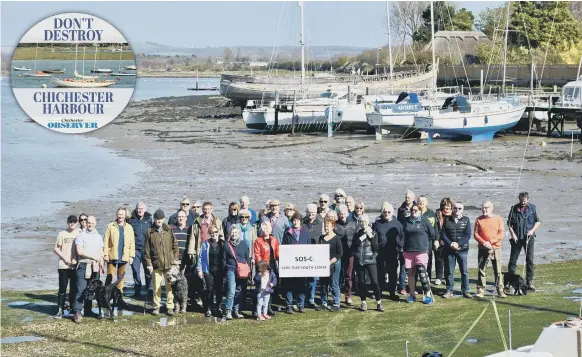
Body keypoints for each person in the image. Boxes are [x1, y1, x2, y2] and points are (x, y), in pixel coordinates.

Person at [145, 209, 180, 316]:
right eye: (157, 219)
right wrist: (149, 264)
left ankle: (170, 307)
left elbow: (175, 246)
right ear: (154, 219)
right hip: (156, 264)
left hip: (169, 264)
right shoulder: (149, 231)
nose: (159, 221)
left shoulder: (169, 229)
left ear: (163, 219)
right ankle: (156, 307)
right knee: (157, 287)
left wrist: (174, 261)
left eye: (160, 219)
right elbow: (146, 250)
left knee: (169, 287)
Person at [507, 192, 541, 291]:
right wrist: (513, 234)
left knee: (530, 260)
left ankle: (529, 281)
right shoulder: (513, 208)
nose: (523, 202)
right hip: (516, 239)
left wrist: (532, 230)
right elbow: (509, 224)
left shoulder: (533, 208)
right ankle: (510, 281)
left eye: (524, 201)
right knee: (513, 260)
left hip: (529, 238)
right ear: (519, 199)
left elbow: (538, 222)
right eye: (521, 201)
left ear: (528, 199)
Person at [402, 204, 435, 304]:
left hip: (421, 250)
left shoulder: (424, 220)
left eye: (416, 210)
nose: (414, 211)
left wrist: (424, 243)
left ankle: (428, 294)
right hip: (408, 251)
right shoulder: (406, 221)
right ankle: (412, 295)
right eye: (412, 210)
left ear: (420, 211)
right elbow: (403, 234)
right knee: (411, 274)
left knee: (422, 272)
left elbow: (432, 233)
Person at [73, 216, 104, 323]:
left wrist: (102, 264)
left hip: (95, 266)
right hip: (83, 265)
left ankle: (88, 311)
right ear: (86, 223)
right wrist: (92, 257)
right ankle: (77, 312)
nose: (90, 224)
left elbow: (101, 251)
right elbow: (79, 251)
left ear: (95, 223)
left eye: (92, 223)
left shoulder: (99, 237)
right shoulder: (81, 235)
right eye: (88, 222)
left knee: (91, 290)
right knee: (81, 289)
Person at [474, 201, 506, 298]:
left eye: (487, 207)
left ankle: (500, 289)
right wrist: (484, 243)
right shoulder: (478, 219)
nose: (485, 209)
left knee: (498, 270)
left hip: (495, 248)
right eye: (483, 208)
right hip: (483, 248)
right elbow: (475, 234)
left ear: (492, 208)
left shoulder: (498, 219)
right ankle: (480, 290)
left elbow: (501, 233)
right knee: (482, 269)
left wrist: (491, 242)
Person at [281, 212, 312, 313]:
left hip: (302, 263)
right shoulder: (287, 232)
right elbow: (284, 247)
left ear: (301, 221)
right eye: (294, 220)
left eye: (298, 220)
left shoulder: (306, 232)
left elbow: (309, 246)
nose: (295, 222)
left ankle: (300, 304)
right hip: (290, 263)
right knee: (289, 284)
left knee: (302, 284)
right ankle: (288, 305)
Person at [373, 202, 403, 300]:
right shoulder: (378, 223)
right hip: (380, 252)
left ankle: (392, 292)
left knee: (393, 273)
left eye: (389, 212)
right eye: (384, 212)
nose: (386, 213)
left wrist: (399, 247)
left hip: (393, 252)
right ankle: (380, 291)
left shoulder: (397, 223)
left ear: (392, 212)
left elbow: (402, 236)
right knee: (380, 273)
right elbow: (374, 236)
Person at [441, 202, 472, 299]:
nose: (457, 210)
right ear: (452, 209)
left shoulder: (466, 220)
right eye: (455, 208)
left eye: (459, 208)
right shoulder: (447, 220)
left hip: (462, 250)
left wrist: (459, 244)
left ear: (462, 210)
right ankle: (449, 290)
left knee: (464, 271)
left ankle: (466, 290)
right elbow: (443, 233)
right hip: (449, 250)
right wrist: (450, 244)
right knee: (449, 271)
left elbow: (468, 235)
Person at [352, 214, 383, 312]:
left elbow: (376, 248)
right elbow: (354, 244)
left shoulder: (374, 233)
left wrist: (370, 236)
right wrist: (363, 235)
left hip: (370, 260)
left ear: (368, 222)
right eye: (361, 222)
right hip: (360, 261)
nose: (363, 223)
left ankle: (379, 302)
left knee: (375, 282)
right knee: (361, 282)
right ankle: (363, 302)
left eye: (365, 221)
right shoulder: (357, 233)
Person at [104, 207, 135, 293]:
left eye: (122, 214)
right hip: (112, 255)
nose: (120, 216)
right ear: (116, 215)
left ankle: (119, 294)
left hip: (124, 255)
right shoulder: (111, 226)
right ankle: (106, 293)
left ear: (125, 216)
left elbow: (132, 243)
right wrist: (105, 254)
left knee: (121, 277)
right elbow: (106, 240)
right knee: (109, 276)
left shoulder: (129, 227)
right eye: (119, 214)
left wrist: (131, 256)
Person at [53, 215, 79, 318]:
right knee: (62, 288)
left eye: (74, 221)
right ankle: (60, 309)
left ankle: (73, 308)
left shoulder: (79, 233)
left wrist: (75, 259)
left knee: (73, 288)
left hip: (75, 266)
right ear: (67, 222)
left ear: (77, 223)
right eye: (70, 222)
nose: (72, 223)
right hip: (63, 266)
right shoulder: (62, 234)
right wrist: (65, 258)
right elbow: (56, 248)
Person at [197, 225, 225, 317]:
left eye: (216, 232)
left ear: (218, 233)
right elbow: (200, 257)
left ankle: (218, 308)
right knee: (209, 290)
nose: (214, 234)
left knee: (219, 290)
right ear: (210, 234)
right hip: (208, 270)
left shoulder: (222, 244)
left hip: (220, 271)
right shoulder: (206, 243)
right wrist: (199, 270)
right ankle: (208, 308)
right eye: (212, 232)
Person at [317, 215, 343, 312]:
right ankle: (324, 303)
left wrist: (331, 261)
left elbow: (340, 253)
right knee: (323, 284)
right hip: (323, 264)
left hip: (335, 263)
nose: (326, 228)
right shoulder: (321, 238)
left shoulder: (336, 238)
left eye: (328, 226)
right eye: (325, 226)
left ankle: (336, 303)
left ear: (332, 226)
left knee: (334, 284)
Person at [253, 221, 279, 315]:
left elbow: (277, 252)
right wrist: (262, 268)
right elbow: (257, 255)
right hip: (263, 267)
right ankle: (256, 309)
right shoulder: (258, 240)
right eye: (264, 228)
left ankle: (268, 307)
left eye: (267, 227)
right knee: (260, 288)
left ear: (270, 229)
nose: (266, 230)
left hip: (272, 266)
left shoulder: (274, 239)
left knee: (270, 287)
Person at [224, 225, 250, 320]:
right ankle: (228, 311)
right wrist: (225, 269)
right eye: (232, 232)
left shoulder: (244, 244)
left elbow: (247, 258)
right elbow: (223, 259)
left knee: (239, 291)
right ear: (229, 234)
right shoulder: (226, 244)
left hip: (242, 271)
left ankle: (237, 310)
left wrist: (249, 270)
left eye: (236, 233)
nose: (234, 234)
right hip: (231, 269)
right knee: (231, 291)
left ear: (239, 234)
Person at [128, 202, 153, 298]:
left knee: (148, 270)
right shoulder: (132, 220)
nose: (140, 210)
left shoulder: (149, 220)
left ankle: (149, 291)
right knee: (135, 270)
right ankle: (137, 290)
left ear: (145, 210)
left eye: (142, 208)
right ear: (136, 209)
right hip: (135, 250)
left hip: (147, 250)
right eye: (139, 208)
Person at [334, 205, 357, 305]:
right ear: (338, 214)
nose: (342, 215)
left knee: (349, 275)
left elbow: (357, 237)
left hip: (350, 253)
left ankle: (348, 296)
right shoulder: (335, 225)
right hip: (339, 254)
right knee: (338, 275)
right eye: (340, 213)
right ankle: (337, 296)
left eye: (344, 213)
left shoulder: (354, 223)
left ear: (348, 213)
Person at [303, 203, 323, 306]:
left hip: (315, 254)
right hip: (304, 253)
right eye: (309, 212)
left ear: (316, 213)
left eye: (313, 212)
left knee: (313, 278)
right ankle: (303, 298)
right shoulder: (302, 223)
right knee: (304, 277)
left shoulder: (320, 223)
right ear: (306, 213)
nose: (311, 214)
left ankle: (311, 298)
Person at [397, 190, 416, 294]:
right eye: (406, 197)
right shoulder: (401, 209)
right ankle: (402, 287)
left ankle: (412, 286)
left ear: (413, 198)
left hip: (413, 238)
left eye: (409, 197)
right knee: (403, 264)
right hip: (404, 237)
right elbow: (399, 223)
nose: (407, 199)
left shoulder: (416, 208)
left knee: (413, 266)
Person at [417, 195, 439, 282]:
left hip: (428, 241)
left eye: (423, 201)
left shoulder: (431, 213)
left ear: (427, 202)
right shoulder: (415, 212)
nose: (421, 202)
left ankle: (427, 280)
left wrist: (436, 240)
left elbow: (436, 228)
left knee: (428, 261)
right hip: (417, 241)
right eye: (420, 201)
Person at [433, 198, 453, 286]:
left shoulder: (453, 214)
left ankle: (447, 277)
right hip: (439, 239)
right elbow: (436, 228)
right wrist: (436, 239)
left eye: (449, 205)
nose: (447, 207)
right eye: (445, 205)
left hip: (450, 240)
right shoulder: (437, 214)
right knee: (438, 259)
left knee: (448, 260)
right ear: (442, 206)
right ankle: (438, 277)